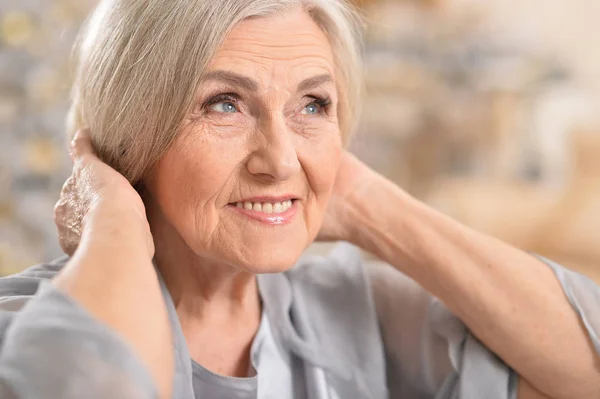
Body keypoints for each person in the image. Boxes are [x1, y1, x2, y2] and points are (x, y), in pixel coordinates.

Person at [1, 1, 599, 398]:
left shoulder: (353, 314)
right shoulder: (22, 322)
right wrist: (115, 226)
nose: (281, 160)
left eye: (313, 105)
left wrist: (363, 201)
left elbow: (586, 368)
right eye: (224, 104)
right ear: (132, 134)